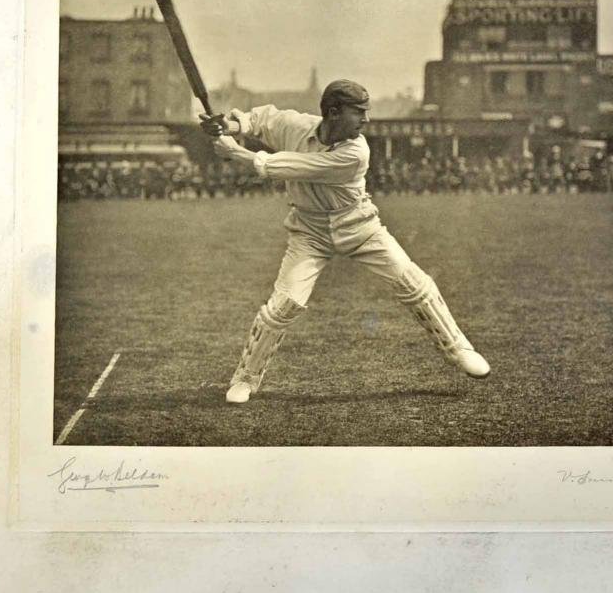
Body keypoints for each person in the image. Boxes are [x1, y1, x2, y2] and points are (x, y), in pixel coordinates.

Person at [200, 79, 490, 404]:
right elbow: (263, 119)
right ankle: (245, 379)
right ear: (334, 113)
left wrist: (235, 151)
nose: (366, 120)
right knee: (283, 306)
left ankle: (460, 348)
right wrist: (232, 124)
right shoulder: (297, 127)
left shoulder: (356, 151)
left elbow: (291, 167)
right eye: (359, 113)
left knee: (412, 282)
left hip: (360, 227)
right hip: (309, 232)